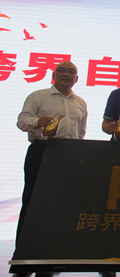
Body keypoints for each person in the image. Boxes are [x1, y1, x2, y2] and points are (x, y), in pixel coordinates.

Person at [15, 61, 87, 277]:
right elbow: (21, 121)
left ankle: (52, 258)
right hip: (42, 151)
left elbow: (81, 132)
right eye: (61, 70)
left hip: (68, 155)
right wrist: (38, 122)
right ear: (53, 76)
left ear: (77, 79)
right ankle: (22, 260)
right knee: (32, 203)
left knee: (61, 207)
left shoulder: (80, 103)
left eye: (71, 72)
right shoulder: (39, 96)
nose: (66, 74)